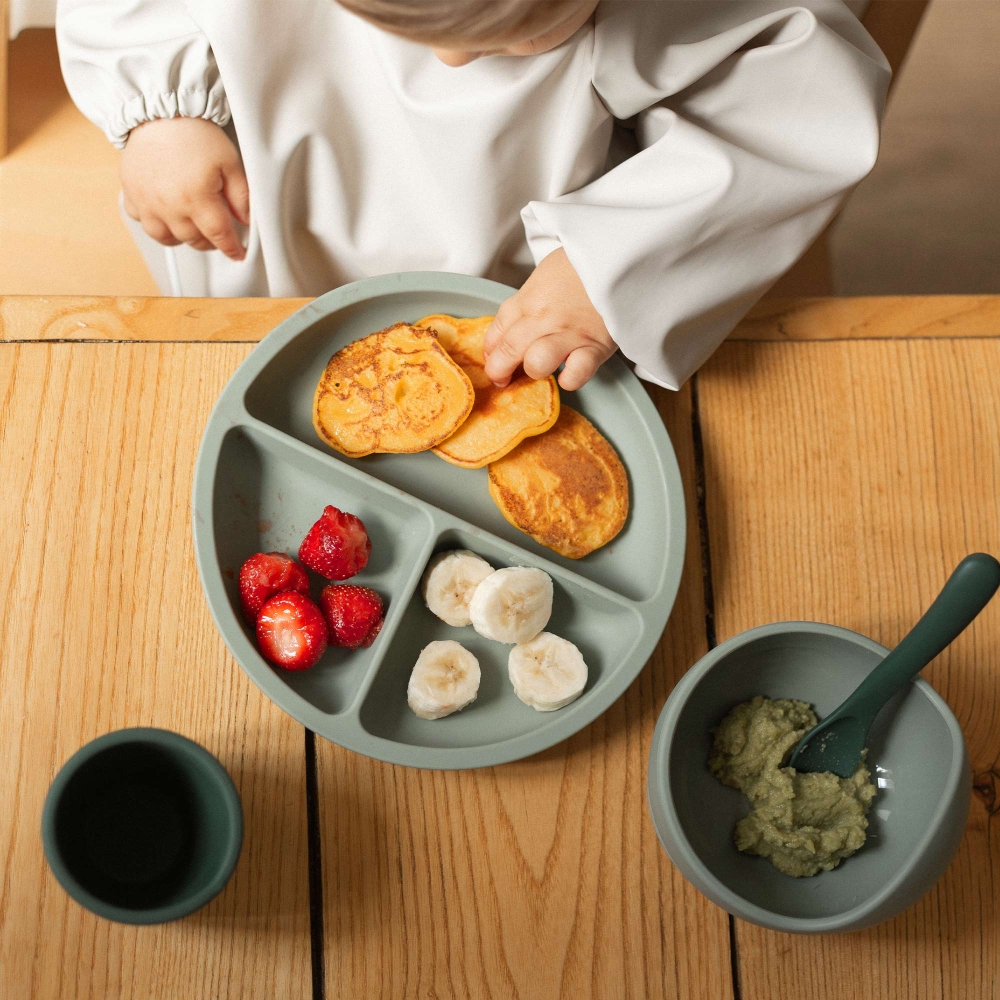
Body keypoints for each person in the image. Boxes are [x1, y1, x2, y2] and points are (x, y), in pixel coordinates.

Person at [56, 0, 890, 391]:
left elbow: (790, 112)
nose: (454, 65)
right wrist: (156, 109)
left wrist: (611, 262)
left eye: (520, 32)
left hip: (511, 274)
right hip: (259, 213)